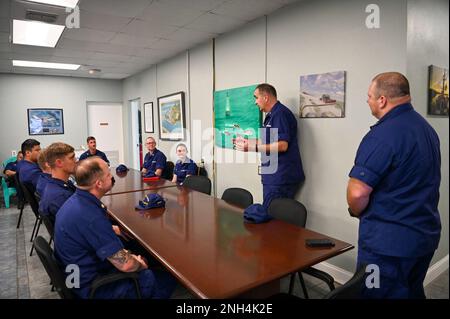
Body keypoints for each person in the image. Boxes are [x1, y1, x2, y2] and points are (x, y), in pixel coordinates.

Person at [346, 72, 441, 299]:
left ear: (382, 100)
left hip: (386, 248)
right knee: (412, 292)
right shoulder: (427, 130)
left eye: (369, 96)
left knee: (373, 295)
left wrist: (355, 210)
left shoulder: (382, 135)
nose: (367, 100)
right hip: (423, 238)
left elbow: (357, 193)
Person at [54, 157, 176, 299]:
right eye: (108, 174)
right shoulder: (90, 216)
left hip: (75, 275)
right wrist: (140, 263)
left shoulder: (76, 202)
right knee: (165, 277)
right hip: (92, 286)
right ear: (98, 183)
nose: (112, 176)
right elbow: (126, 265)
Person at [234, 83, 305, 209]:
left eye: (256, 97)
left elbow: (282, 145)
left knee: (274, 216)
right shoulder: (270, 116)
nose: (255, 102)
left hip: (280, 177)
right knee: (272, 215)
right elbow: (267, 141)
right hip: (272, 175)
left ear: (265, 97)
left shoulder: (280, 114)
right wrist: (247, 141)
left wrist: (252, 148)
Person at [39, 142, 77, 225]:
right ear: (59, 163)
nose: (76, 161)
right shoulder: (60, 197)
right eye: (71, 158)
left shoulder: (57, 185)